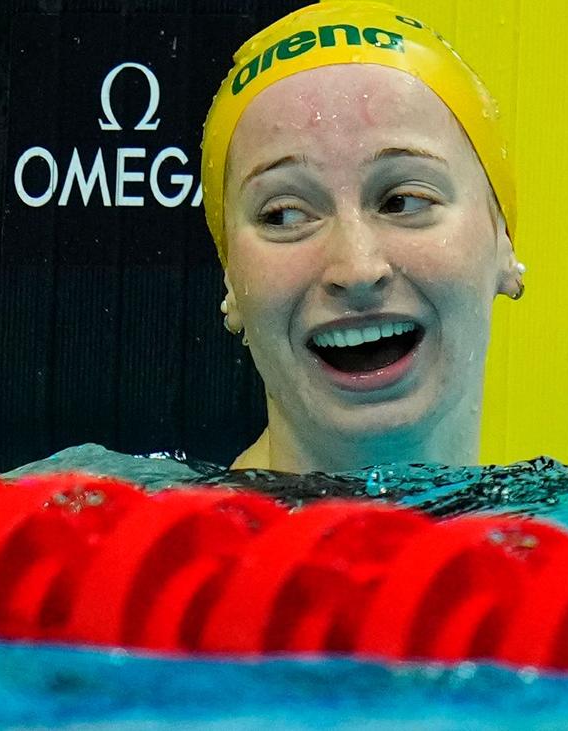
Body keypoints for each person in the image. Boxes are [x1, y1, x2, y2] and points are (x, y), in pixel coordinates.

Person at [201, 1, 526, 474]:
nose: (357, 269)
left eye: (404, 201)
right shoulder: (120, 518)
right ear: (231, 278)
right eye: (285, 215)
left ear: (503, 240)